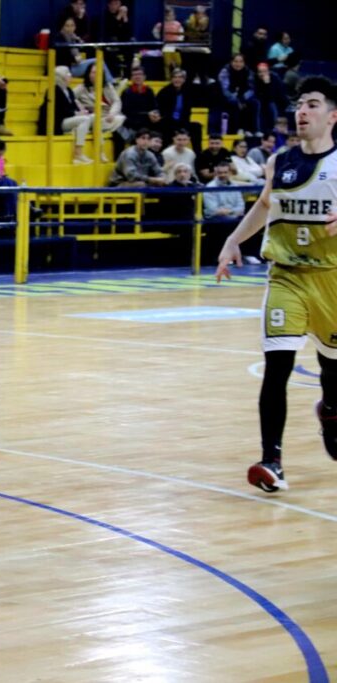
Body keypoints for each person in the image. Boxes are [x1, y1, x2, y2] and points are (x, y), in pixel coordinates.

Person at [215, 77, 337, 493]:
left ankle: (331, 410)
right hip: (286, 276)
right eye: (300, 104)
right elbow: (266, 205)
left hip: (332, 280)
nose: (302, 111)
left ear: (332, 116)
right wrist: (234, 240)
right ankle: (272, 461)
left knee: (333, 375)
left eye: (313, 104)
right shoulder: (279, 161)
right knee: (276, 368)